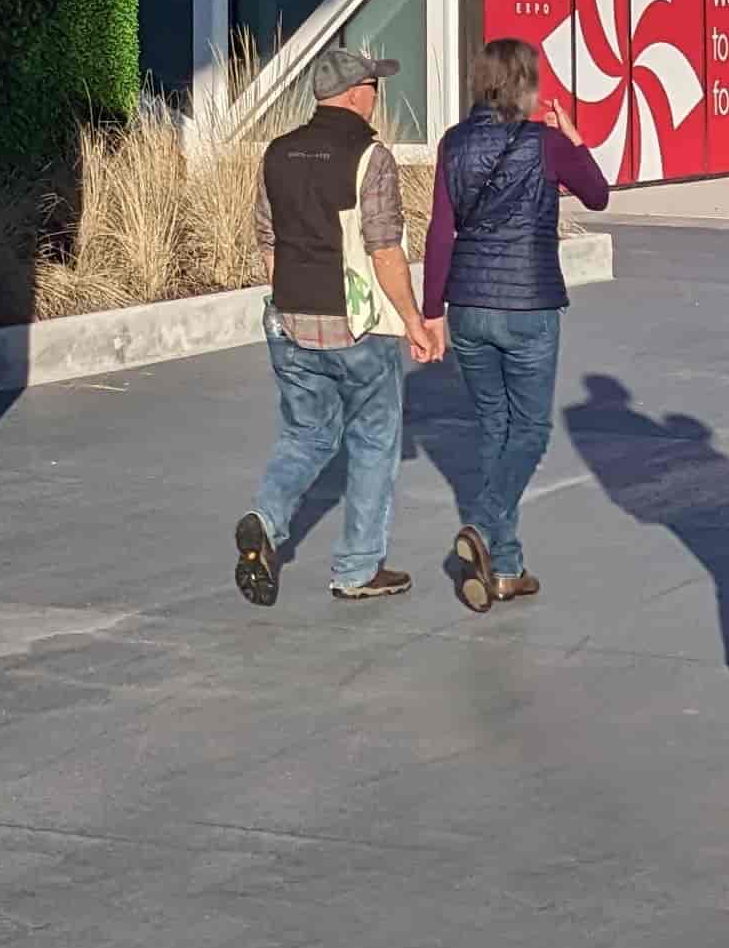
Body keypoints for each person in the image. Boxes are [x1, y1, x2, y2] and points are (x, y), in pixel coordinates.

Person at [233, 47, 438, 610]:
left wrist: (288, 303)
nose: (378, 95)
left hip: (290, 321)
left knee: (305, 436)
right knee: (373, 442)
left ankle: (264, 519)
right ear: (356, 93)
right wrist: (414, 322)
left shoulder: (276, 152)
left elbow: (267, 241)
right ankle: (356, 568)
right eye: (375, 85)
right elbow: (385, 250)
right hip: (356, 328)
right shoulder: (370, 157)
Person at [422, 36, 611, 611]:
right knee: (530, 431)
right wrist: (573, 134)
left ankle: (505, 567)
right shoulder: (546, 143)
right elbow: (598, 195)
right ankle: (481, 526)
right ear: (524, 83)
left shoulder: (454, 143)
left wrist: (432, 312)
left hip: (470, 308)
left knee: (493, 429)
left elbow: (439, 232)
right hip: (528, 304)